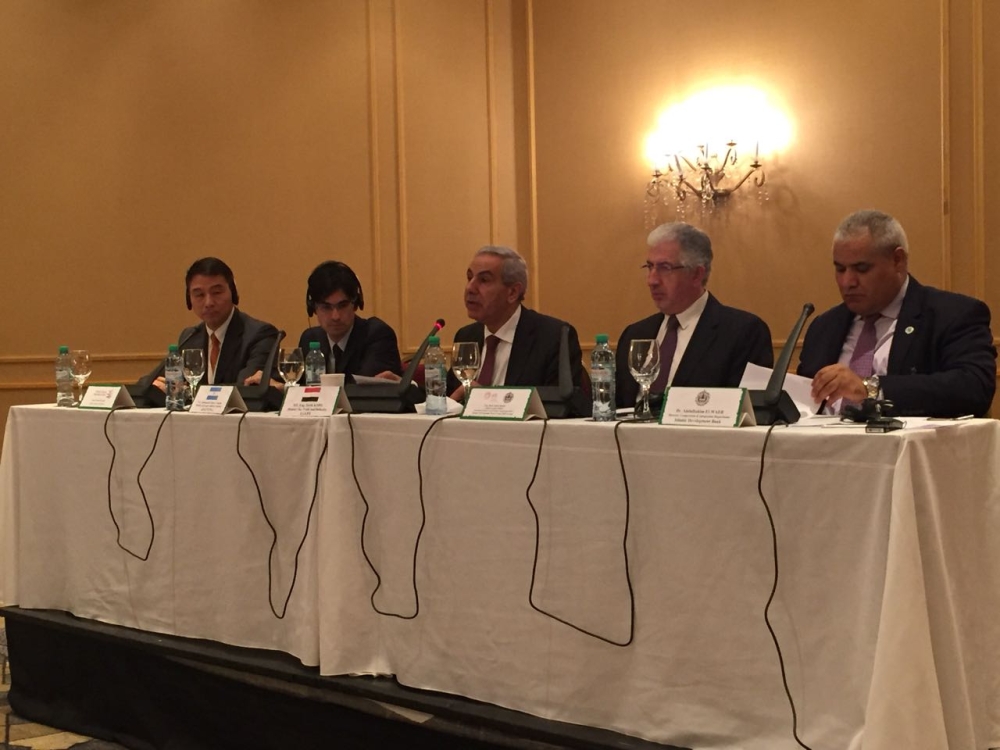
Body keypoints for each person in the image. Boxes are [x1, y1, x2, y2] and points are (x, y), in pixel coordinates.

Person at [798, 209, 996, 417]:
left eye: (862, 269)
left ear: (897, 260)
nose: (847, 282)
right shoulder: (824, 326)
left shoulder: (952, 315)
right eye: (840, 269)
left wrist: (870, 388)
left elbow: (973, 388)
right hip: (823, 447)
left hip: (912, 448)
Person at [616, 222, 773, 408]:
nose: (652, 280)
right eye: (650, 267)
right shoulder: (635, 334)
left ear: (697, 274)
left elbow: (748, 413)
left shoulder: (743, 332)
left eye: (665, 268)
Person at [446, 245, 584, 398]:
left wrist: (487, 399)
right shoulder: (466, 336)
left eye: (484, 280)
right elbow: (448, 397)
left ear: (512, 292)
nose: (470, 288)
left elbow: (560, 403)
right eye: (469, 277)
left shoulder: (553, 337)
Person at [138, 257, 279, 393]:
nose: (208, 303)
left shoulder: (260, 335)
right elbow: (157, 380)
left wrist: (189, 391)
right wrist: (155, 385)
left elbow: (247, 387)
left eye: (216, 292)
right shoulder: (190, 337)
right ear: (189, 299)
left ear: (233, 292)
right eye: (199, 295)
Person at [296, 260, 402, 381]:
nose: (335, 316)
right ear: (313, 308)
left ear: (356, 304)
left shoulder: (377, 335)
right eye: (326, 307)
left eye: (342, 305)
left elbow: (364, 389)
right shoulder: (309, 339)